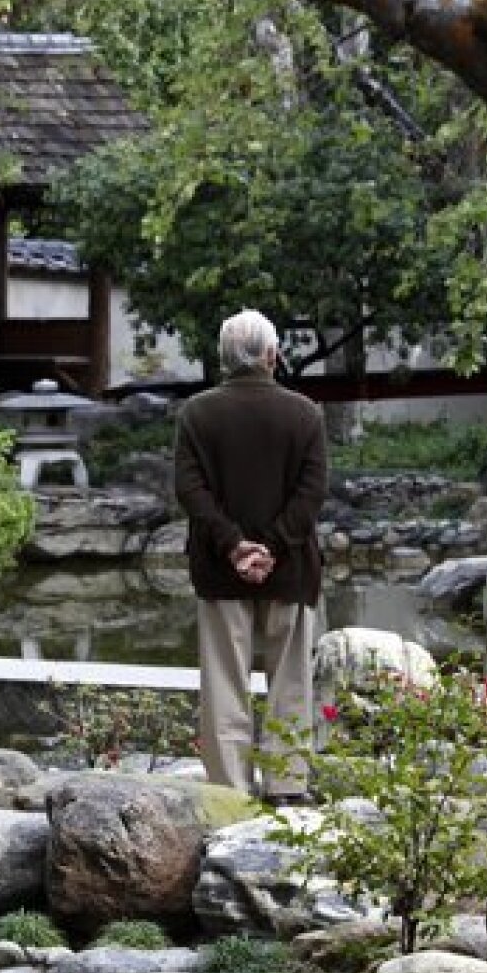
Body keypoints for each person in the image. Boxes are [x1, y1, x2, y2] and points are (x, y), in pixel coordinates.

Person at [173, 308, 327, 803]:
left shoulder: (196, 414)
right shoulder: (306, 414)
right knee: (291, 679)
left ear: (224, 358)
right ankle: (287, 786)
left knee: (223, 682)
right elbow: (310, 495)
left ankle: (230, 793)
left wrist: (233, 545)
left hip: (220, 570)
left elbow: (190, 491)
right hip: (291, 569)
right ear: (272, 355)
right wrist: (274, 547)